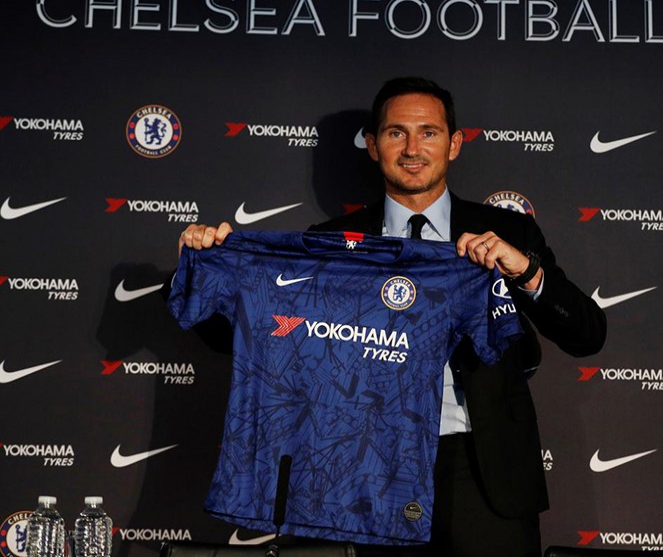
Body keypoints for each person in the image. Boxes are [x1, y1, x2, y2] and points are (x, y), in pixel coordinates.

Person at [178, 77, 606, 557]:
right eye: (395, 133)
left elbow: (588, 335)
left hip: (483, 470)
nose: (412, 148)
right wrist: (206, 270)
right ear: (372, 144)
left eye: (429, 132)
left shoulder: (506, 230)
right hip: (366, 469)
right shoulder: (332, 241)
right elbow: (261, 336)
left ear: (454, 144)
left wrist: (527, 273)